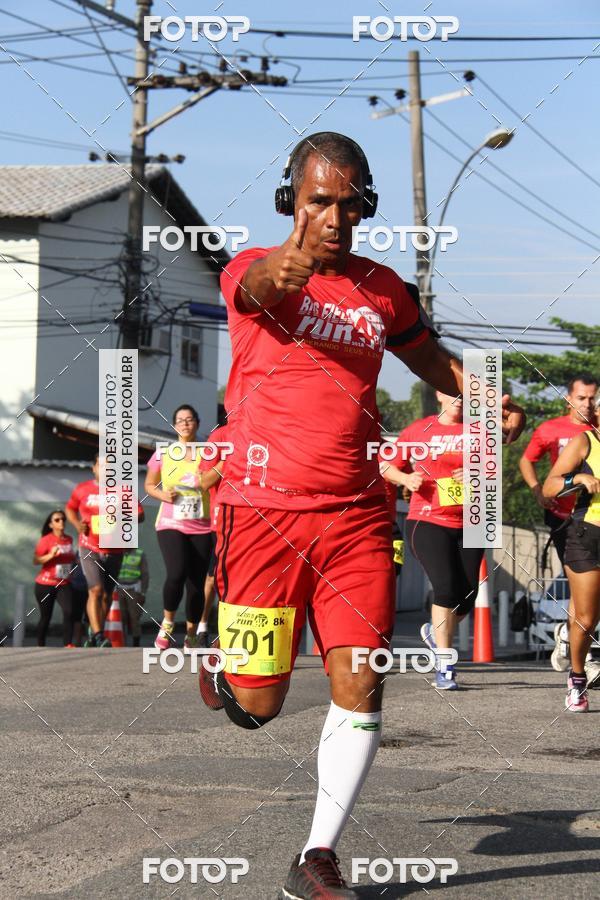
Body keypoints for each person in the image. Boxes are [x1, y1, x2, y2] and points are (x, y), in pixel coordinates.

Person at [197, 132, 525, 899]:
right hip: (262, 513)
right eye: (319, 201)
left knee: (362, 678)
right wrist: (290, 263)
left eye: (349, 205)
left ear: (366, 207)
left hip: (355, 518)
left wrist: (487, 398)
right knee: (259, 705)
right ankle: (224, 665)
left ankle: (317, 855)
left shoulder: (383, 291)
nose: (335, 218)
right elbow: (261, 288)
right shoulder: (252, 268)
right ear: (291, 200)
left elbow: (430, 359)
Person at [380, 393, 481, 690]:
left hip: (473, 521)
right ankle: (445, 665)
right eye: (451, 392)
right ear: (438, 394)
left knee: (468, 595)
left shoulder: (479, 431)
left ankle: (437, 633)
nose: (458, 399)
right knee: (446, 588)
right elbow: (386, 466)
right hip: (427, 519)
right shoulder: (419, 430)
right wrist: (405, 479)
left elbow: (494, 473)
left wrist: (476, 474)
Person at [519, 375, 598, 672]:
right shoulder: (551, 429)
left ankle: (568, 634)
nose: (587, 404)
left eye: (592, 398)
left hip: (593, 520)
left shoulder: (597, 429)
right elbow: (526, 460)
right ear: (568, 399)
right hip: (565, 518)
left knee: (586, 597)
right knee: (582, 591)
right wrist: (537, 491)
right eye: (581, 398)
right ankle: (582, 660)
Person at [144, 405, 212, 651]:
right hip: (170, 522)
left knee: (196, 584)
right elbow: (149, 484)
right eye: (180, 420)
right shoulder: (164, 452)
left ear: (197, 423)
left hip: (202, 525)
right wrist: (162, 494)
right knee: (177, 572)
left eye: (189, 419)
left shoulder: (207, 453)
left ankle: (191, 634)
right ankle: (168, 624)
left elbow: (217, 477)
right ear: (174, 426)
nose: (185, 423)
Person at [543, 427, 600, 712]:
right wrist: (577, 478)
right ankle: (577, 678)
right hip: (588, 536)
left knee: (583, 615)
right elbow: (549, 487)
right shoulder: (586, 441)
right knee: (587, 619)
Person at [66, 454, 144, 648]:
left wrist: (121, 516)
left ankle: (94, 632)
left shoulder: (123, 490)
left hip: (114, 549)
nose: (106, 469)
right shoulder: (82, 489)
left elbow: (140, 514)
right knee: (96, 590)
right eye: (102, 465)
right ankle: (99, 635)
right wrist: (77, 524)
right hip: (89, 546)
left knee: (107, 595)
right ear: (94, 468)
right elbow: (70, 509)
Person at [198, 422, 229, 646]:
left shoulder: (264, 429)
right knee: (213, 577)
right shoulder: (219, 436)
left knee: (237, 579)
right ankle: (203, 624)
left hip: (257, 519)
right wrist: (226, 462)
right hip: (223, 520)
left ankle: (227, 630)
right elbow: (204, 481)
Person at [33, 510, 76, 647]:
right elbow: (36, 560)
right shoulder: (46, 540)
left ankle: (68, 644)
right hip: (45, 584)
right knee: (46, 616)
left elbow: (69, 559)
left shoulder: (69, 539)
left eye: (63, 519)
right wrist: (50, 555)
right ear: (51, 524)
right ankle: (41, 645)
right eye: (57, 520)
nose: (61, 521)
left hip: (63, 583)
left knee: (69, 611)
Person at [116, 547, 149, 647]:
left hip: (133, 589)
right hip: (119, 588)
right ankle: (122, 642)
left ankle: (136, 644)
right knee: (120, 617)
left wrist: (143, 593)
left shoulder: (139, 554)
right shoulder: (117, 552)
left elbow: (145, 574)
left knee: (134, 617)